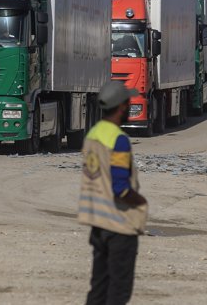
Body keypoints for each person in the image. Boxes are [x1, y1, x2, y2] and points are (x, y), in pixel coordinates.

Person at [78, 80, 149, 305]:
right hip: (118, 225)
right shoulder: (118, 140)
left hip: (97, 223)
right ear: (122, 107)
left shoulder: (93, 134)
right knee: (118, 290)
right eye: (128, 103)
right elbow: (121, 187)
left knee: (98, 287)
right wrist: (141, 201)